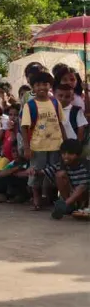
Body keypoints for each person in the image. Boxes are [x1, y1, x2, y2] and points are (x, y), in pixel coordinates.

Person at [21, 72, 67, 210]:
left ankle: (49, 197)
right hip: (37, 146)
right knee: (36, 172)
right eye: (38, 84)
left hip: (55, 145)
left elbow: (60, 123)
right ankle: (36, 198)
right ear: (33, 87)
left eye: (45, 84)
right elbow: (24, 127)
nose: (42, 87)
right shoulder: (29, 105)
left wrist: (65, 143)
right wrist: (27, 147)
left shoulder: (55, 102)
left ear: (50, 86)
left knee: (53, 172)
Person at [46, 139, 90, 219]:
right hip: (73, 196)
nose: (66, 156)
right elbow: (44, 171)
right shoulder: (62, 165)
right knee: (60, 175)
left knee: (82, 186)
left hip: (85, 197)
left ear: (78, 155)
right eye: (63, 153)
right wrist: (33, 171)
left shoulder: (86, 165)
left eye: (70, 153)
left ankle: (65, 205)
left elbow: (84, 186)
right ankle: (69, 206)